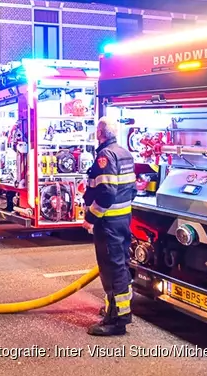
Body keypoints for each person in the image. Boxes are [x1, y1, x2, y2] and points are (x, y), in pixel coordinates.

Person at [82, 117, 137, 336]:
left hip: (108, 223)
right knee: (121, 265)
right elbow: (131, 189)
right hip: (123, 220)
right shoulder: (125, 153)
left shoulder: (105, 156)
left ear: (100, 133)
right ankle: (117, 310)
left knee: (111, 270)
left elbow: (107, 192)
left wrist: (91, 218)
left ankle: (116, 321)